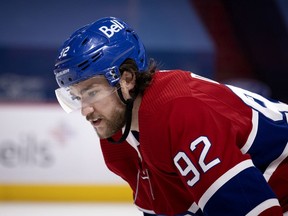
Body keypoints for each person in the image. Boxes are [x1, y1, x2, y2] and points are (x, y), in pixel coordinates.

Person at [54, 17, 288, 216]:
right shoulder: (116, 138)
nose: (85, 110)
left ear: (126, 80)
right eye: (77, 97)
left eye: (92, 92)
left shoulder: (181, 113)